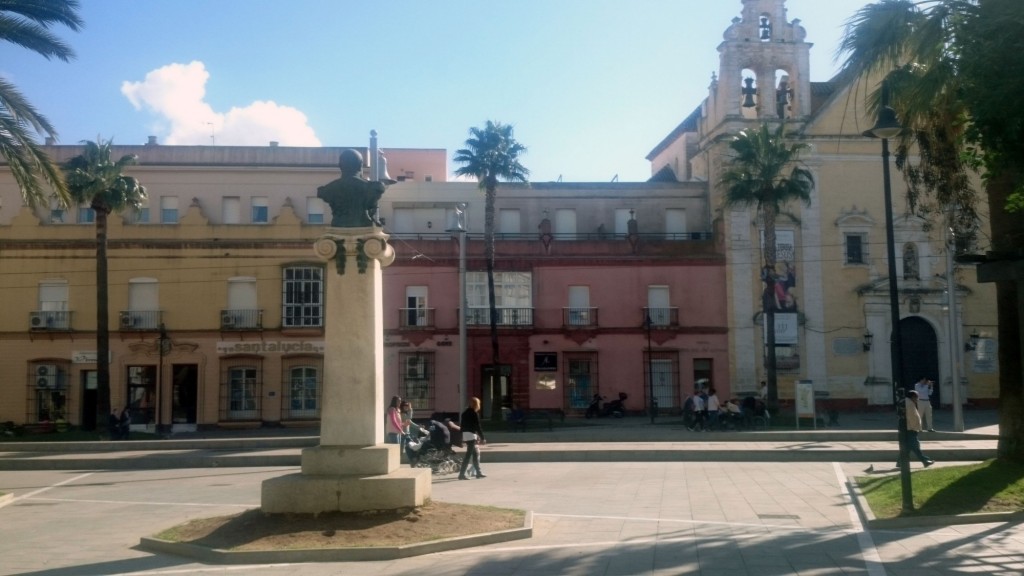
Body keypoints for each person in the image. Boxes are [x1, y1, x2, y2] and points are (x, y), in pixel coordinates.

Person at [316, 149, 388, 228]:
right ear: (360, 165)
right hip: (364, 225)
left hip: (337, 224)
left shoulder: (327, 190)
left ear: (340, 165)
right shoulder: (373, 188)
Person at [900, 390, 935, 468]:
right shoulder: (910, 404)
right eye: (917, 397)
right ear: (912, 397)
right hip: (911, 429)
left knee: (908, 447)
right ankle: (925, 461)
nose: (917, 399)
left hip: (908, 428)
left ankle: (900, 462)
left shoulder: (906, 402)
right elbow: (912, 417)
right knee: (915, 446)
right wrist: (915, 428)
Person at [458, 397, 486, 480]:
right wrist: (482, 437)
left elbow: (462, 425)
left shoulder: (464, 413)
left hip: (466, 434)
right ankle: (461, 474)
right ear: (477, 404)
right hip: (471, 435)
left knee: (475, 453)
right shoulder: (474, 413)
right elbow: (478, 426)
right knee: (468, 455)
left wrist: (462, 436)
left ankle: (478, 472)